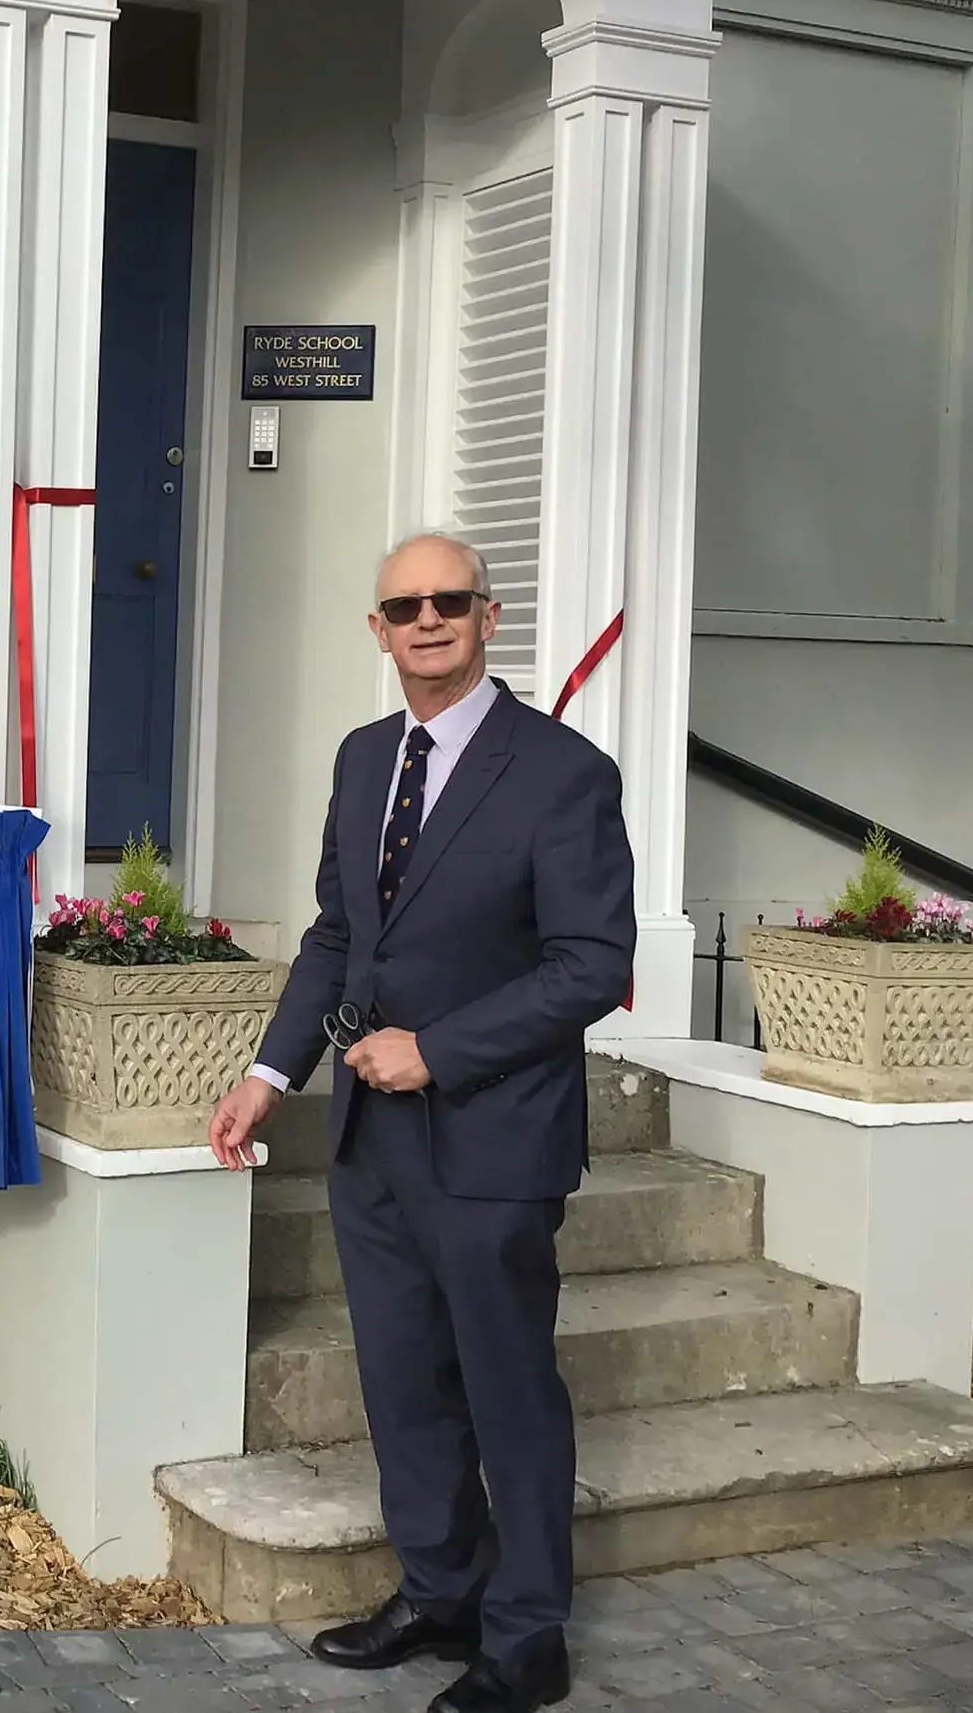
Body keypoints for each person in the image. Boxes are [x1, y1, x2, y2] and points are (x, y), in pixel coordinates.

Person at [208, 533, 635, 1713]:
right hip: (369, 1137)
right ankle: (441, 1589)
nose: (428, 619)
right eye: (405, 605)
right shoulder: (362, 760)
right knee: (402, 1380)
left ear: (489, 616)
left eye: (450, 600)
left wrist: (437, 1050)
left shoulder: (559, 770)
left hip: (495, 1136)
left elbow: (593, 962)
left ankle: (527, 1635)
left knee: (506, 1386)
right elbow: (339, 934)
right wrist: (267, 1070)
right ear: (379, 628)